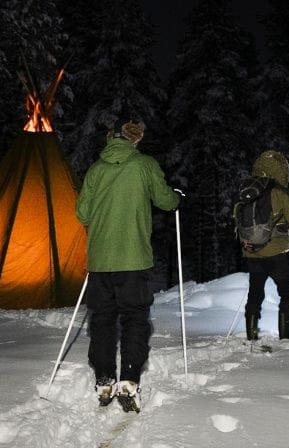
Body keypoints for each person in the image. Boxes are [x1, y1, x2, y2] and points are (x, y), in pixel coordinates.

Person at [75, 117, 180, 413]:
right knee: (134, 317)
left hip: (100, 260)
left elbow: (82, 213)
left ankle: (104, 379)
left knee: (102, 319)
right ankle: (129, 381)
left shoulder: (96, 170)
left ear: (111, 138)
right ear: (135, 138)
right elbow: (165, 200)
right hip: (133, 259)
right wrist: (177, 198)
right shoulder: (143, 164)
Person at [241, 150, 289, 341]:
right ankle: (284, 337)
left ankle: (252, 336)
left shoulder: (247, 191)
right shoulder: (280, 192)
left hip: (252, 252)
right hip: (278, 253)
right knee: (286, 295)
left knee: (255, 295)